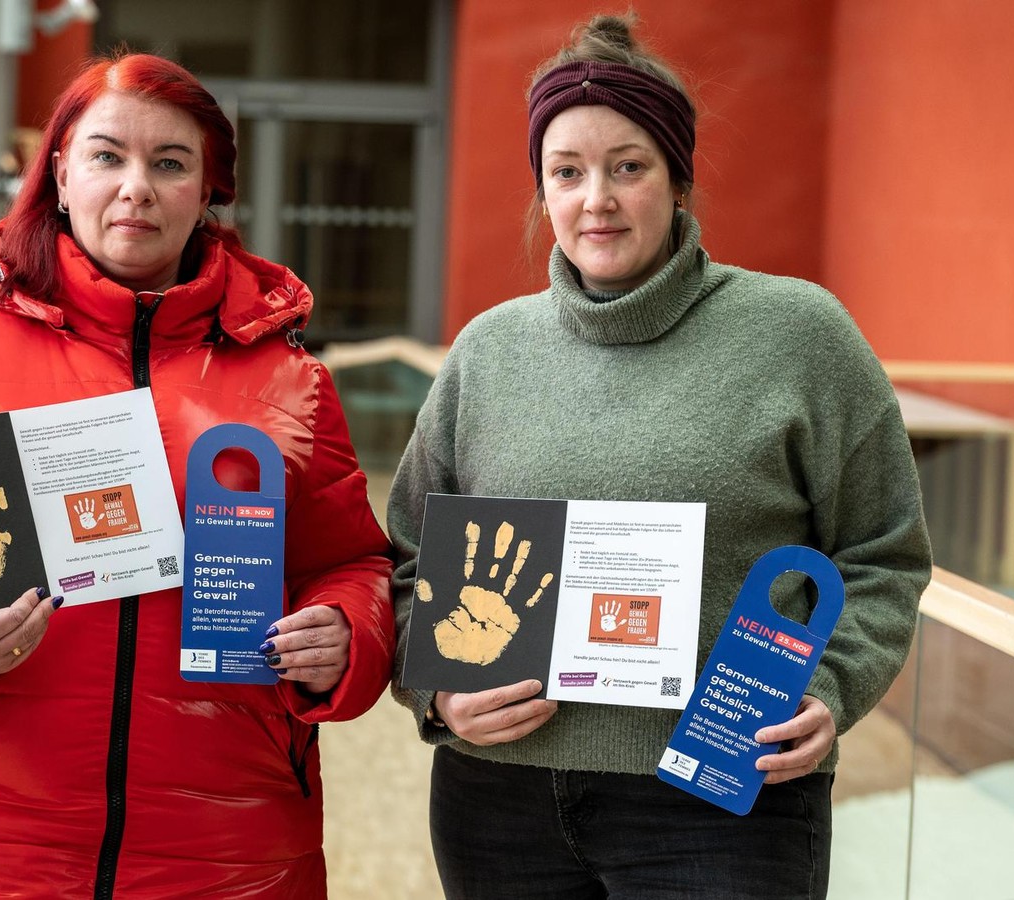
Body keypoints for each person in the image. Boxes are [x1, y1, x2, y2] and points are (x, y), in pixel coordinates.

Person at [0, 52, 394, 898]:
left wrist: (345, 631)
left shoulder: (290, 381)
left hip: (231, 843)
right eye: (107, 156)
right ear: (61, 175)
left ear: (208, 191)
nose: (136, 187)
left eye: (170, 163)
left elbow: (353, 562)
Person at [389, 13, 931, 900]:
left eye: (628, 167)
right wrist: (438, 694)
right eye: (567, 172)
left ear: (679, 179)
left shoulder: (800, 336)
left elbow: (882, 551)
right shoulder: (487, 353)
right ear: (543, 190)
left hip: (722, 799)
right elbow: (407, 561)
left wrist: (833, 686)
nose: (595, 199)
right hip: (499, 803)